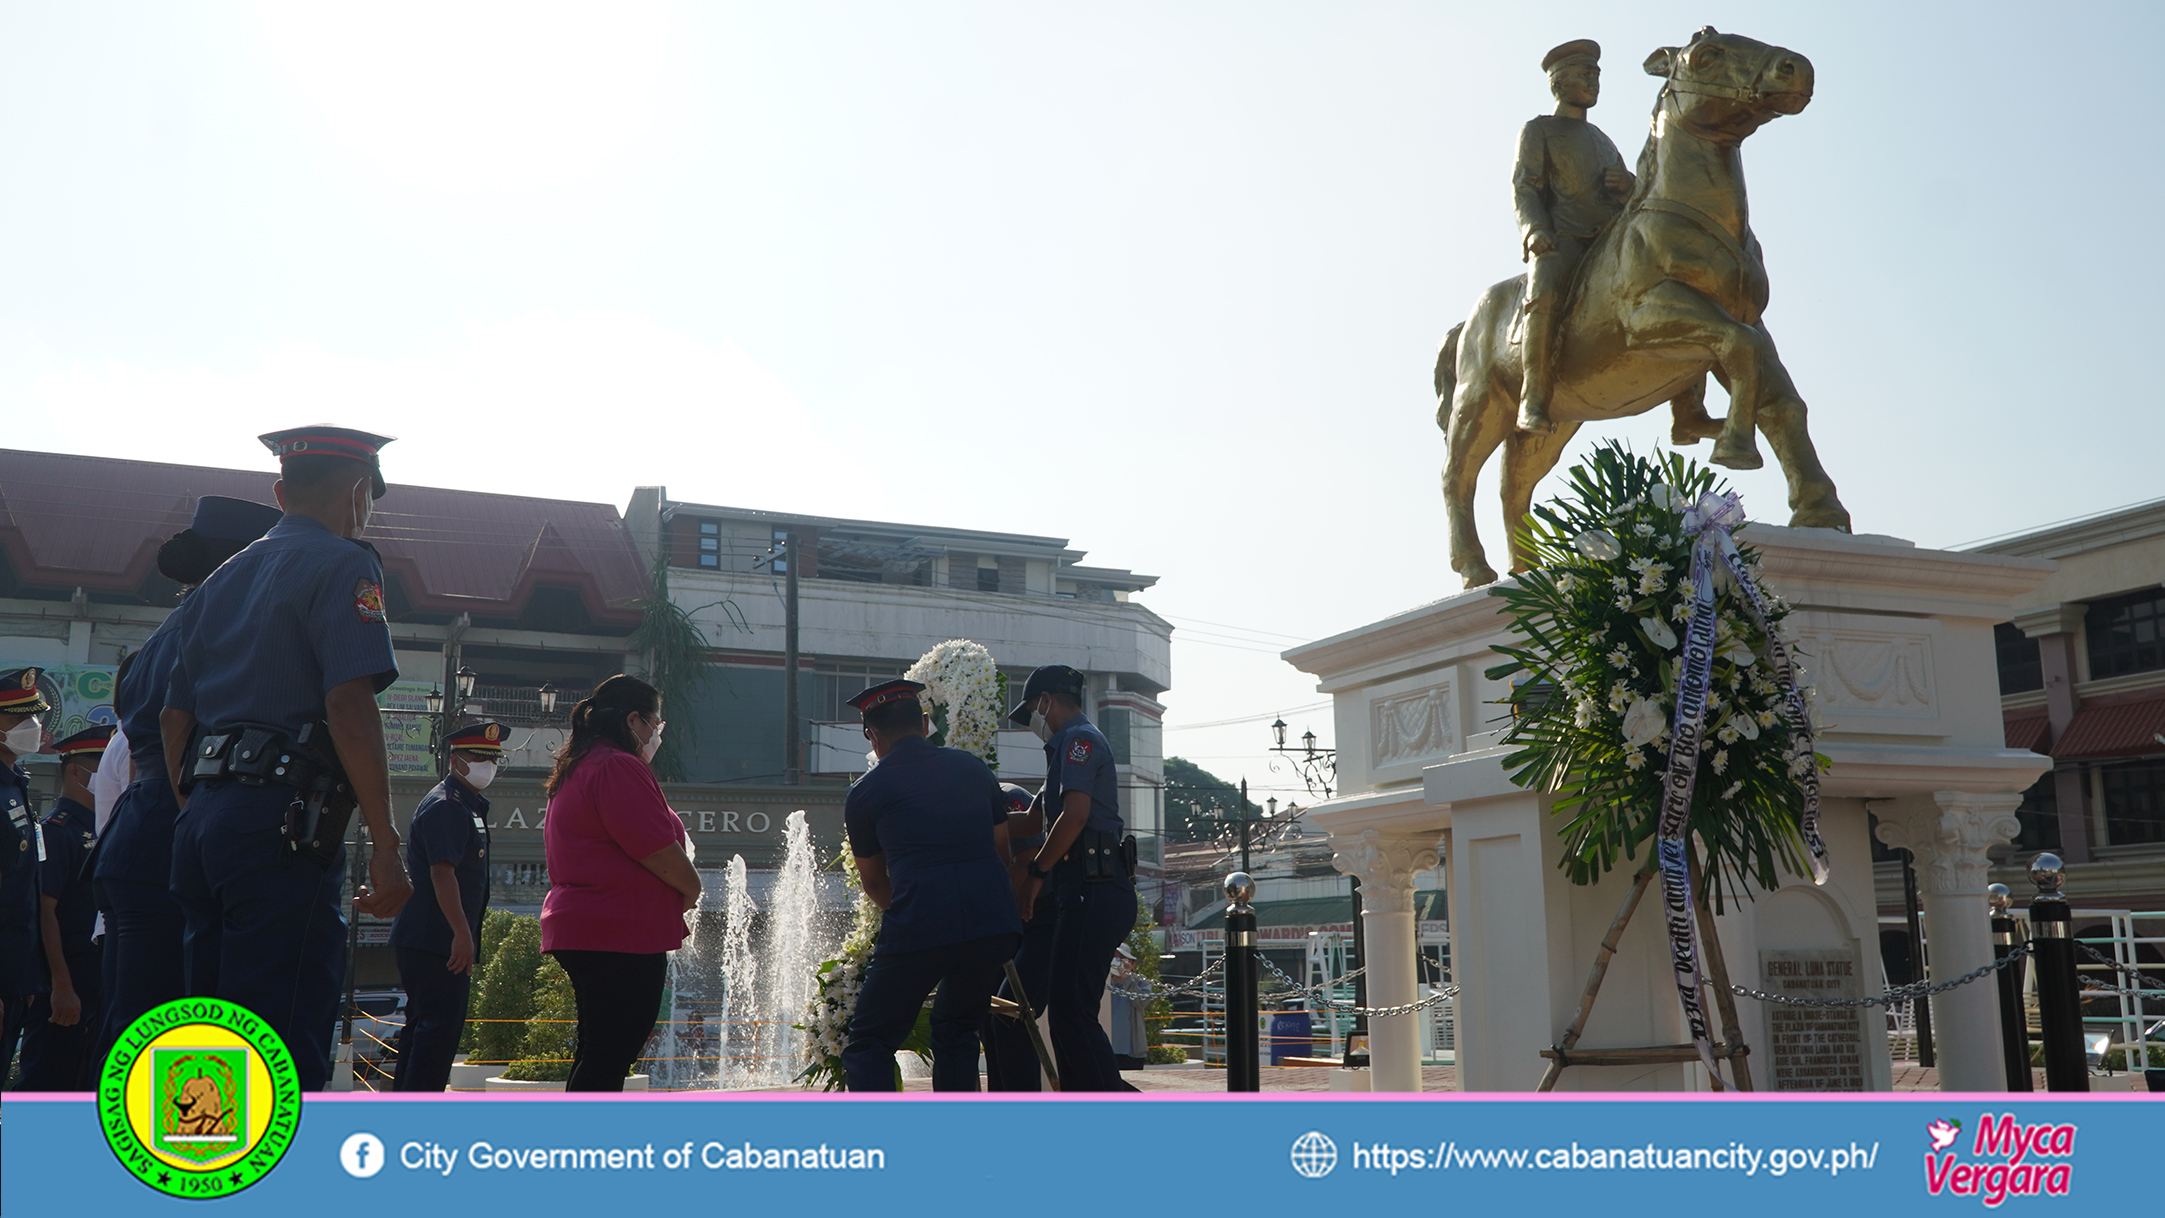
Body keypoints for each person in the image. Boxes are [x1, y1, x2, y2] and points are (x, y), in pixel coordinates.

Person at [162, 430, 412, 1091]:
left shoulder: (217, 582)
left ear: (280, 493)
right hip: (279, 821)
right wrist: (385, 842)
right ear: (358, 493)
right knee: (280, 1034)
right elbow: (348, 703)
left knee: (208, 1041)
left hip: (204, 820)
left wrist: (201, 810)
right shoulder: (343, 564)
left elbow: (173, 717)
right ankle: (284, 1190)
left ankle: (204, 1177)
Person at [93, 496, 282, 1065]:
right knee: (168, 1026)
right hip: (176, 825)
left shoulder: (169, 630)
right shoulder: (214, 630)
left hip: (137, 829)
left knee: (133, 1021)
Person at [839, 680, 1019, 1092]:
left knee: (869, 1040)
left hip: (921, 922)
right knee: (957, 1031)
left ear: (873, 734)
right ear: (924, 724)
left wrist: (913, 912)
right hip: (992, 923)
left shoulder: (866, 792)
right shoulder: (973, 768)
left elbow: (872, 879)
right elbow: (1002, 851)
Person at [539, 675, 699, 1091]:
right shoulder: (617, 765)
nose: (657, 734)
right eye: (656, 724)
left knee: (599, 1050)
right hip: (616, 931)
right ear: (634, 720)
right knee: (610, 1053)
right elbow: (655, 850)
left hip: (594, 927)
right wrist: (692, 888)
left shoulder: (582, 764)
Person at [1006, 664, 1138, 1092]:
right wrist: (972, 821)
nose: (1033, 725)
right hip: (1083, 890)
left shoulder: (1080, 741)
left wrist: (1036, 871)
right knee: (1067, 1014)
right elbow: (1032, 820)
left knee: (1072, 1013)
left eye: (1031, 713)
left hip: (1094, 888)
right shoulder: (1065, 746)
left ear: (1045, 701)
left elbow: (1074, 816)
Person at [1512, 38, 1634, 434]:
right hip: (1563, 238)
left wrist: (1630, 185)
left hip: (1609, 242)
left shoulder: (1602, 139)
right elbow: (1525, 186)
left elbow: (1633, 197)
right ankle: (1533, 396)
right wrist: (1534, 230)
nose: (1594, 81)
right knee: (1544, 295)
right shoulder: (1539, 130)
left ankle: (1687, 408)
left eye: (1597, 75)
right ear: (1559, 84)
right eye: (1585, 75)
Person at [390, 720, 502, 1091]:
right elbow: (443, 874)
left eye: (492, 759)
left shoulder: (465, 804)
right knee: (438, 1034)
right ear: (455, 761)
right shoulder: (448, 806)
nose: (487, 765)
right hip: (437, 939)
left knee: (423, 1030)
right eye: (477, 757)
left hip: (432, 938)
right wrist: (461, 934)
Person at [16, 726, 113, 1089]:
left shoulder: (103, 829)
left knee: (86, 1083)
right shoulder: (60, 831)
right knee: (49, 1079)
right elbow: (45, 909)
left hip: (96, 982)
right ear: (75, 772)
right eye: (101, 767)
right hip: (65, 983)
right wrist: (60, 985)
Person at [984, 780, 1058, 1090]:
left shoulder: (1008, 799)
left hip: (1042, 918)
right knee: (989, 1020)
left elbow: (1027, 859)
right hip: (1004, 927)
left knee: (1011, 1014)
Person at [0, 668, 52, 1080]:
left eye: (33, 718)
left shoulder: (15, 784)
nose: (30, 728)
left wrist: (27, 975)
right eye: (17, 719)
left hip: (15, 976)